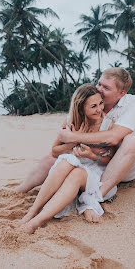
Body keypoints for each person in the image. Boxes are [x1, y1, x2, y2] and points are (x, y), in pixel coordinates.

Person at [15, 67, 135, 223]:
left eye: (106, 88)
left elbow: (113, 138)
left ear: (121, 93)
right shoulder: (87, 103)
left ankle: (93, 199)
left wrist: (73, 137)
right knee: (56, 160)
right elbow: (55, 150)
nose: (100, 90)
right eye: (99, 84)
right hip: (87, 162)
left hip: (120, 165)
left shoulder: (133, 105)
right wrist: (73, 143)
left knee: (133, 141)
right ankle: (21, 191)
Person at [19, 84, 117, 234]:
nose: (100, 109)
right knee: (67, 161)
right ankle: (33, 211)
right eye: (93, 106)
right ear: (81, 107)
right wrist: (73, 142)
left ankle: (38, 220)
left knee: (76, 172)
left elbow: (110, 161)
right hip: (74, 166)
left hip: (98, 174)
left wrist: (91, 155)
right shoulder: (71, 122)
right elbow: (54, 151)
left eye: (101, 103)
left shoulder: (108, 125)